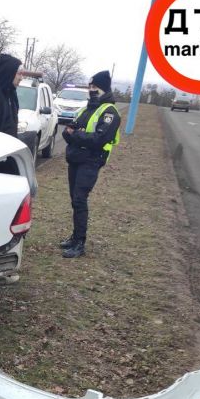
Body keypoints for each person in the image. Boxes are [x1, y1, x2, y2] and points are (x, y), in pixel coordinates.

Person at [60, 70, 121, 258]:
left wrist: (75, 135)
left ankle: (80, 243)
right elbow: (66, 131)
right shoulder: (88, 109)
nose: (91, 90)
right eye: (90, 87)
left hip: (91, 161)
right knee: (74, 199)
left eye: (95, 87)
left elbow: (98, 140)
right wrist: (73, 134)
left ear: (103, 88)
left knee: (79, 199)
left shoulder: (110, 112)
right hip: (76, 159)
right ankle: (74, 237)